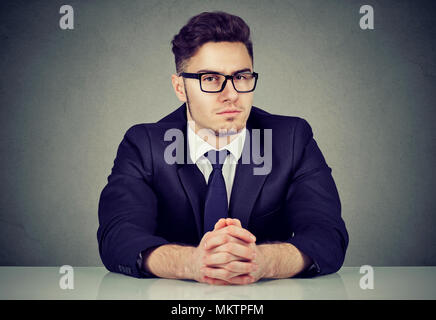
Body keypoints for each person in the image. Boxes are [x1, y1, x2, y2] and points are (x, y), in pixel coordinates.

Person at [97, 11, 348, 285]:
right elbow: (118, 235)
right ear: (180, 87)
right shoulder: (144, 145)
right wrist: (190, 264)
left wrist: (264, 261)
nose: (231, 94)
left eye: (241, 77)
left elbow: (327, 235)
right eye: (211, 79)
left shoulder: (291, 139)